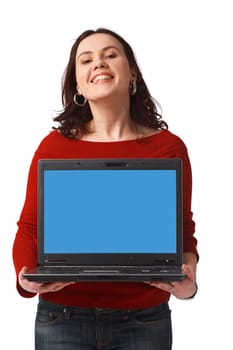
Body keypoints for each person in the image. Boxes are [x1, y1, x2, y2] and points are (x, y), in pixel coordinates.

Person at [13, 27, 198, 350]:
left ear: (132, 74)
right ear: (78, 84)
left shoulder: (168, 147)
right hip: (63, 318)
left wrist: (188, 286)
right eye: (86, 60)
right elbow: (30, 228)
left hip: (145, 319)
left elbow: (182, 231)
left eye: (110, 55)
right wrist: (26, 278)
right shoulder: (54, 147)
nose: (98, 63)